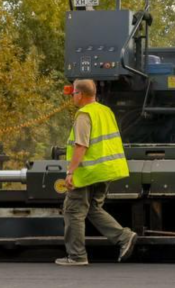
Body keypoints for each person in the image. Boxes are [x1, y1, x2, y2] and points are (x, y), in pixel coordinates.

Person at [57, 79, 138, 266]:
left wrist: (70, 172)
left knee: (73, 211)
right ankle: (124, 237)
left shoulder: (84, 114)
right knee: (93, 208)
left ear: (80, 94)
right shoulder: (106, 111)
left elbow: (81, 145)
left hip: (88, 173)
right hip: (104, 171)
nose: (72, 97)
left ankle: (77, 256)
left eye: (73, 93)